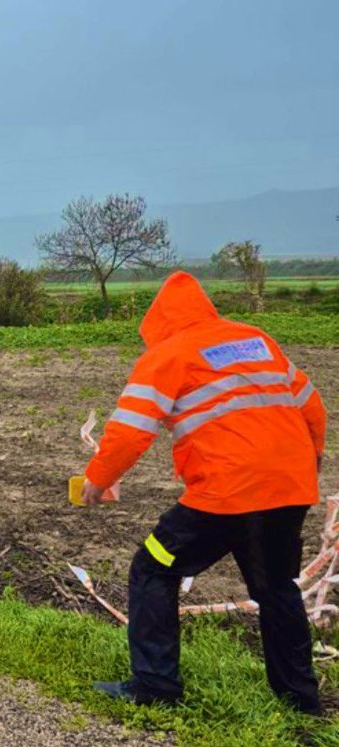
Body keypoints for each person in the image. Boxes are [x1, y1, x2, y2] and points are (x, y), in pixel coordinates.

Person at [82, 271, 325, 715]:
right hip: (290, 488)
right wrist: (314, 458)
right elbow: (312, 405)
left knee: (153, 567)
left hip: (225, 492)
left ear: (157, 324)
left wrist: (97, 480)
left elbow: (130, 431)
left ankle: (155, 685)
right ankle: (301, 703)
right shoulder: (256, 340)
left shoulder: (169, 353)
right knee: (277, 590)